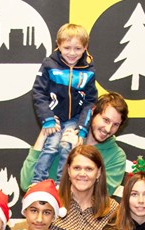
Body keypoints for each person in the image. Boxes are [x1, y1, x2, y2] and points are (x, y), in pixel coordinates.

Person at [29, 23, 97, 185]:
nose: (72, 53)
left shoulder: (88, 69)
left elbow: (90, 102)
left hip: (74, 118)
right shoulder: (49, 64)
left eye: (78, 49)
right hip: (54, 117)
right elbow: (38, 92)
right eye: (67, 48)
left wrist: (82, 129)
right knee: (51, 146)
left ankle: (62, 183)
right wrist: (48, 118)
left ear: (85, 47)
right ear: (58, 45)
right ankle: (37, 181)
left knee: (67, 146)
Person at [21, 92, 129, 194]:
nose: (108, 129)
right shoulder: (63, 136)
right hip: (48, 211)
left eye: (115, 124)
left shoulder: (116, 156)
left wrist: (78, 152)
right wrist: (44, 135)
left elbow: (100, 196)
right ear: (93, 111)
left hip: (79, 213)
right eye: (105, 120)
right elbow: (27, 183)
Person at [52, 145, 120, 230]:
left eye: (89, 169)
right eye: (77, 168)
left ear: (98, 173)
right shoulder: (52, 202)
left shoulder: (111, 209)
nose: (82, 174)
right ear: (68, 170)